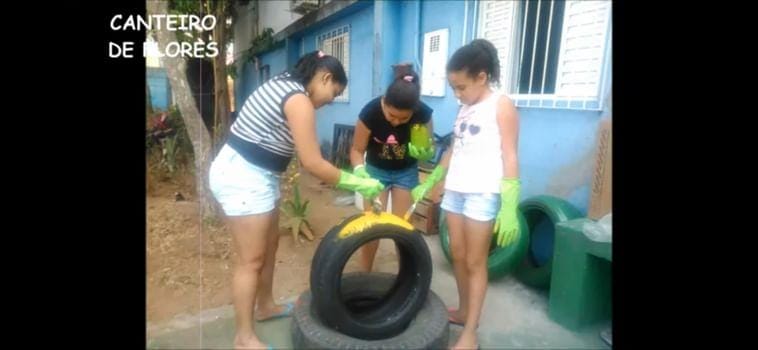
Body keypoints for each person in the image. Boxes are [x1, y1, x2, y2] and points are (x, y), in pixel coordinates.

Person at [209, 50, 384, 350]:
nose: (329, 102)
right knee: (250, 260)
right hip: (242, 176)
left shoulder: (287, 85)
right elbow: (312, 163)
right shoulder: (298, 99)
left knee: (270, 245)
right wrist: (357, 182)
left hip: (259, 175)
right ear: (325, 78)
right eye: (333, 93)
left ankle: (265, 306)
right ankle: (244, 338)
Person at [411, 39, 521, 350]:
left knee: (475, 261)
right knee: (457, 254)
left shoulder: (502, 105)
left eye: (461, 86)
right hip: (456, 190)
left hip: (482, 192)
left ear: (482, 77)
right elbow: (454, 148)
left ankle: (470, 333)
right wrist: (434, 178)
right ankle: (462, 310)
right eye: (454, 88)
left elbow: (510, 155)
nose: (457, 94)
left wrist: (509, 204)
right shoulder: (465, 107)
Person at [349, 63, 435, 272]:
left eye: (403, 118)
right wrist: (360, 172)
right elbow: (356, 150)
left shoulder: (423, 113)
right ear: (384, 103)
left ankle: (406, 276)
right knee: (372, 226)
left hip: (405, 173)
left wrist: (426, 152)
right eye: (391, 116)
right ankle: (365, 274)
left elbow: (429, 146)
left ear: (413, 111)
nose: (396, 123)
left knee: (403, 228)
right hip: (376, 173)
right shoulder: (370, 113)